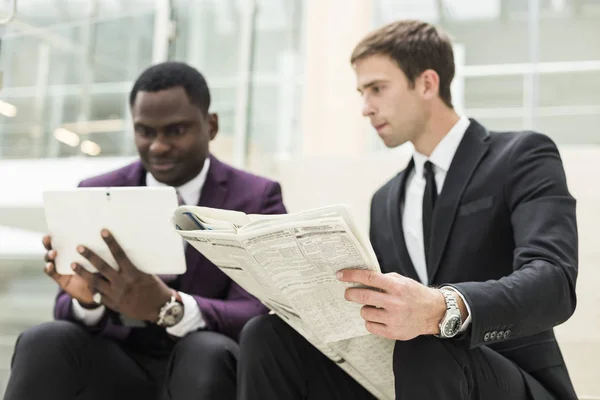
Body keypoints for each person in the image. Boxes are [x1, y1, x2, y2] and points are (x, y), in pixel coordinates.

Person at [237, 19, 578, 400]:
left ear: (427, 83)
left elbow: (554, 283)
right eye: (362, 92)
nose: (366, 108)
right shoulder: (385, 200)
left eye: (377, 89)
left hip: (511, 378)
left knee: (424, 340)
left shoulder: (522, 156)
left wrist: (441, 307)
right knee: (267, 335)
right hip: (409, 376)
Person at [4, 61, 287, 400]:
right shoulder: (96, 190)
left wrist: (171, 307)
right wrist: (87, 300)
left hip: (206, 369)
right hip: (116, 367)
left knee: (204, 351)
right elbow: (66, 307)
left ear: (210, 126)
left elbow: (260, 310)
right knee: (44, 339)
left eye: (176, 130)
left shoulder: (257, 197)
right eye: (145, 131)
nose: (157, 146)